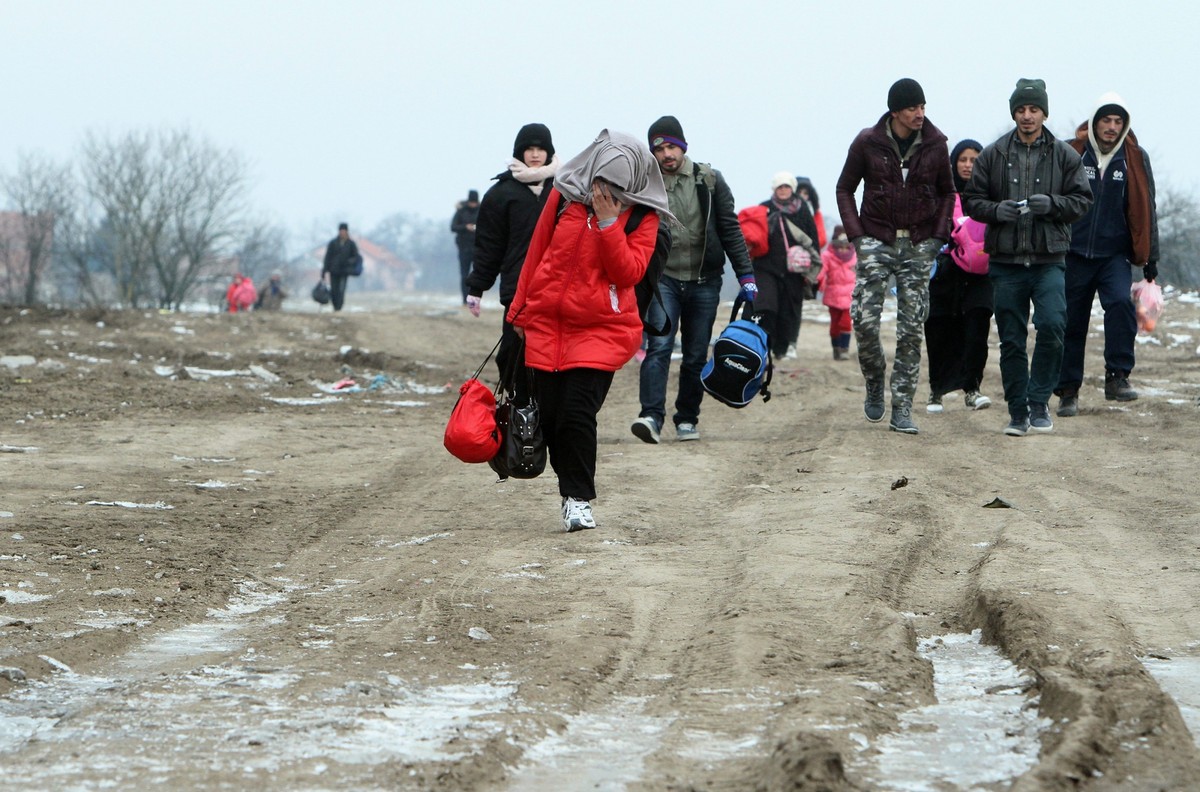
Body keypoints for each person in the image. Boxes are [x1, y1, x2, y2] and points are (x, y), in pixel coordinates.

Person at [506, 129, 673, 532]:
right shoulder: (563, 197)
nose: (604, 190)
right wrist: (518, 313)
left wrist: (609, 223)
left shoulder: (644, 218)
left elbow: (629, 272)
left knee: (578, 415)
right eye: (601, 180)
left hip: (603, 327)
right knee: (552, 416)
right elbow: (537, 252)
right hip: (547, 321)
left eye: (616, 185)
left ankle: (578, 499)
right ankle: (569, 489)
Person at [963, 78, 1093, 436]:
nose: (1027, 116)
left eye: (1033, 109)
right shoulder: (993, 154)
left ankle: (1040, 403)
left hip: (1049, 259)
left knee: (1052, 326)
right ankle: (1018, 411)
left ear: (1044, 113)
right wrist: (995, 211)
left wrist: (1053, 205)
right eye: (1020, 109)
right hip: (1005, 262)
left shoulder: (1066, 155)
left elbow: (1083, 200)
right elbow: (972, 199)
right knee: (1011, 339)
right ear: (1013, 113)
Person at [835, 78, 954, 435]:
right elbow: (844, 188)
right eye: (912, 108)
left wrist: (937, 237)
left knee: (911, 329)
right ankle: (874, 379)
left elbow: (948, 192)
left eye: (923, 107)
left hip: (918, 243)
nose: (920, 114)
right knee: (865, 321)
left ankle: (902, 406)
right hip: (876, 239)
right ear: (895, 112)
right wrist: (857, 236)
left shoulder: (936, 145)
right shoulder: (867, 142)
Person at [630, 115, 756, 444]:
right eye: (660, 149)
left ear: (683, 146)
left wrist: (746, 275)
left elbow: (729, 227)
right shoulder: (646, 184)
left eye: (672, 146)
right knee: (658, 347)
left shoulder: (709, 180)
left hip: (704, 281)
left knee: (696, 354)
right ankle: (651, 417)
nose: (667, 154)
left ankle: (687, 418)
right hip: (664, 280)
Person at [1054, 93, 1160, 417]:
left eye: (1118, 121)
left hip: (1114, 255)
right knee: (1071, 321)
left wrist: (1151, 256)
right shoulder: (1071, 152)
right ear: (1095, 121)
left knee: (1119, 304)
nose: (1112, 127)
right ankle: (1068, 391)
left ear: (1124, 124)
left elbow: (1147, 208)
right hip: (1073, 252)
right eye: (1106, 120)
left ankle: (1117, 377)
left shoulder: (1134, 157)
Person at [465, 123, 560, 393]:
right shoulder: (500, 194)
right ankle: (517, 406)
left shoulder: (566, 190)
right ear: (519, 152)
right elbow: (489, 246)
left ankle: (544, 414)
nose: (534, 154)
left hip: (559, 286)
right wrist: (477, 287)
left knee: (551, 357)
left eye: (540, 148)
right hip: (518, 287)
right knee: (512, 353)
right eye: (528, 149)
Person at [923, 139, 995, 413]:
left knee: (977, 326)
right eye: (963, 160)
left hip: (980, 273)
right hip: (944, 272)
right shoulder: (940, 194)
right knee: (939, 328)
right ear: (953, 163)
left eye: (975, 160)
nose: (968, 165)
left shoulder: (990, 193)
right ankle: (937, 390)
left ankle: (973, 387)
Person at [747, 171, 820, 360]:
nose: (783, 190)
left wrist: (813, 267)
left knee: (790, 309)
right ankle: (766, 344)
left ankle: (785, 346)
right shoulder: (764, 208)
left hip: (794, 269)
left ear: (792, 188)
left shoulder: (802, 209)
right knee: (767, 306)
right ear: (774, 189)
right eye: (780, 187)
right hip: (766, 266)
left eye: (787, 186)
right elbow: (754, 232)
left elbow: (812, 238)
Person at [777, 176, 827, 359]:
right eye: (801, 192)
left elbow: (820, 239)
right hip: (778, 264)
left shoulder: (813, 213)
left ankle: (791, 343)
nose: (804, 196)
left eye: (807, 193)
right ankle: (780, 343)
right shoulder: (779, 209)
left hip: (803, 265)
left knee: (794, 305)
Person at [817, 225, 856, 360]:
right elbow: (821, 271)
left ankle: (844, 349)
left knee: (846, 322)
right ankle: (836, 348)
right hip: (833, 293)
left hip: (849, 294)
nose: (843, 250)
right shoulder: (827, 256)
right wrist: (818, 282)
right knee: (835, 324)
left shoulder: (855, 256)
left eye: (846, 246)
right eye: (840, 246)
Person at [321, 222, 360, 312]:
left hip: (344, 271)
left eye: (344, 231)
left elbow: (356, 257)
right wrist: (324, 270)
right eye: (341, 230)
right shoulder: (333, 243)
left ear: (346, 231)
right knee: (334, 290)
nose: (342, 232)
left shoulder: (351, 244)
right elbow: (328, 257)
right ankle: (335, 306)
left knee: (341, 290)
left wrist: (349, 262)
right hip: (333, 271)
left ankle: (339, 307)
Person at [451, 190, 480, 304]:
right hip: (463, 248)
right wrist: (465, 227)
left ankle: (475, 299)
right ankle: (465, 299)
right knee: (464, 275)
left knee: (477, 276)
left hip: (478, 248)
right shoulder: (461, 211)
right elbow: (453, 227)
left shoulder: (482, 210)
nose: (473, 204)